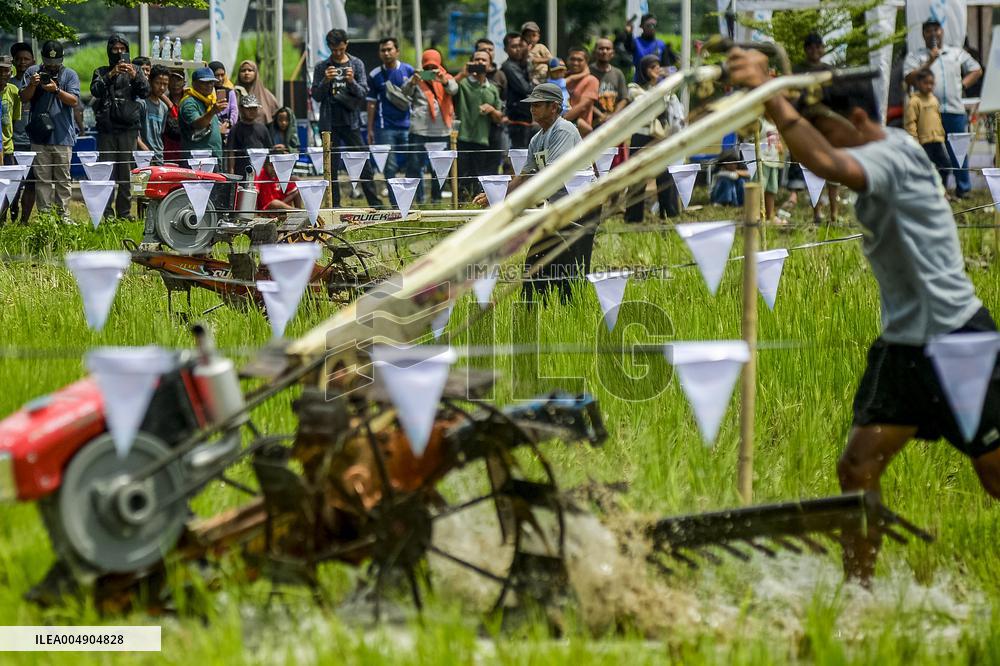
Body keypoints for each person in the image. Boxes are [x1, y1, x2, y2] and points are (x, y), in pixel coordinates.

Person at [728, 47, 1000, 584]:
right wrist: (776, 95)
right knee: (857, 467)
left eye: (822, 129)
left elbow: (828, 164)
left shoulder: (892, 157)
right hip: (904, 345)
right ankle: (860, 590)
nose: (817, 143)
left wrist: (776, 102)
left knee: (995, 477)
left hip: (957, 340)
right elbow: (827, 154)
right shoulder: (879, 149)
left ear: (856, 119)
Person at [475, 82, 597, 303]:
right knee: (538, 258)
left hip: (581, 206)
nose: (532, 109)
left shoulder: (564, 130)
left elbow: (552, 174)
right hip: (559, 208)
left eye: (537, 105)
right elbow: (524, 177)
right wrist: (497, 196)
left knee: (572, 262)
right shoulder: (537, 138)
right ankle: (533, 307)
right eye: (531, 105)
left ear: (554, 107)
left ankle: (572, 308)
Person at [903, 18, 982, 199]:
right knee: (933, 153)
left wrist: (962, 84)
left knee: (958, 151)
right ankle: (938, 192)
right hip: (929, 112)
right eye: (928, 30)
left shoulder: (955, 52)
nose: (933, 34)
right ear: (923, 34)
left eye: (936, 30)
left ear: (942, 32)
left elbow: (976, 69)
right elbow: (908, 78)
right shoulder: (916, 56)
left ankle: (964, 189)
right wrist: (929, 61)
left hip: (954, 109)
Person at [310, 29, 381, 207]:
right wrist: (325, 81)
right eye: (334, 50)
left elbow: (364, 93)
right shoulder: (321, 67)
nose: (338, 53)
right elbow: (316, 96)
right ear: (329, 48)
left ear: (346, 44)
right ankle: (334, 204)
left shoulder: (356, 64)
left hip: (351, 121)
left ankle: (374, 202)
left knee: (363, 163)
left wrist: (351, 81)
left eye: (340, 49)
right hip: (329, 122)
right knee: (331, 167)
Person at [20, 40, 80, 224]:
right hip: (40, 137)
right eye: (48, 63)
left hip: (63, 136)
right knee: (42, 179)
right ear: (42, 60)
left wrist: (57, 90)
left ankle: (63, 216)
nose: (52, 67)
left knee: (63, 179)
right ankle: (46, 217)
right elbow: (23, 98)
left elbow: (74, 101)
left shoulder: (69, 75)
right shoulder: (32, 72)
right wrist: (32, 85)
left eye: (56, 63)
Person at [90, 33, 149, 219]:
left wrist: (134, 77)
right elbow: (95, 90)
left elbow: (146, 91)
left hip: (128, 129)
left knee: (126, 174)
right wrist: (111, 75)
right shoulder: (101, 71)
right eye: (115, 49)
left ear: (127, 51)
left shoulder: (136, 70)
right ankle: (106, 213)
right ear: (109, 51)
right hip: (106, 129)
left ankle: (124, 213)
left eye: (122, 49)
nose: (119, 53)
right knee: (106, 172)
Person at [785, 32, 838, 224]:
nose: (815, 51)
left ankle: (834, 213)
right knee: (811, 170)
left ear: (823, 49)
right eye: (810, 47)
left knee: (833, 168)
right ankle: (817, 212)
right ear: (806, 50)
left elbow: (837, 97)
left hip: (827, 124)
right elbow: (791, 98)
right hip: (806, 125)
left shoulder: (829, 71)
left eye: (818, 47)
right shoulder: (797, 71)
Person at [624, 55, 682, 222]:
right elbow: (647, 103)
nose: (657, 70)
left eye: (658, 66)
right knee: (637, 178)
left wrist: (667, 81)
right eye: (652, 67)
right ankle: (633, 218)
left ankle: (669, 214)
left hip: (660, 138)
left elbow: (672, 107)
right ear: (643, 70)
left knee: (664, 176)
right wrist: (661, 85)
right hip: (641, 137)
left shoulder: (665, 89)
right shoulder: (634, 88)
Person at [402, 49, 457, 203]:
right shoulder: (417, 78)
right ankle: (417, 199)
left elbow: (454, 89)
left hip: (442, 131)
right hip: (420, 129)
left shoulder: (446, 77)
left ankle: (436, 199)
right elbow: (404, 91)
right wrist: (413, 80)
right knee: (414, 165)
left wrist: (443, 80)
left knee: (439, 169)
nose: (430, 71)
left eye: (433, 66)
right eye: (427, 67)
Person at [367, 37, 415, 198]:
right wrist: (370, 129)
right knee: (390, 167)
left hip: (408, 126)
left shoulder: (409, 70)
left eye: (389, 49)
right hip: (384, 127)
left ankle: (413, 201)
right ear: (379, 53)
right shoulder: (375, 75)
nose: (386, 53)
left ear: (397, 51)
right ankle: (396, 205)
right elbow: (371, 104)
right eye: (383, 50)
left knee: (413, 164)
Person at [455, 50, 503, 199]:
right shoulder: (462, 83)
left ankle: (475, 206)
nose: (480, 63)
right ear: (471, 62)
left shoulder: (493, 88)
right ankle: (461, 206)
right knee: (462, 176)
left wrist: (492, 110)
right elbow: (448, 89)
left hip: (482, 139)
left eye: (484, 60)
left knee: (479, 177)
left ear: (489, 66)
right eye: (477, 60)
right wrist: (463, 73)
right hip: (463, 138)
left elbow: (499, 118)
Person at [905, 69, 951, 187]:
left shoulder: (934, 99)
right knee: (924, 169)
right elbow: (910, 123)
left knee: (945, 166)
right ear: (918, 83)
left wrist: (941, 134)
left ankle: (942, 192)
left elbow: (938, 119)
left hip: (937, 140)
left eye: (932, 83)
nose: (929, 86)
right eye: (926, 83)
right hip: (923, 143)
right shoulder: (914, 101)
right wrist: (914, 140)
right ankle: (924, 192)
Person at [9, 42, 35, 224]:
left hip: (33, 141)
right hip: (14, 141)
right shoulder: (9, 84)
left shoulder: (39, 82)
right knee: (12, 183)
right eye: (18, 59)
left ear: (33, 60)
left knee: (31, 183)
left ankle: (24, 221)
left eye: (26, 59)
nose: (22, 63)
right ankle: (11, 209)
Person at [178, 67, 226, 160]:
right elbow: (197, 124)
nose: (209, 85)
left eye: (211, 82)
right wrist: (212, 112)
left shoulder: (209, 101)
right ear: (194, 83)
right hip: (197, 160)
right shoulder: (189, 102)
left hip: (212, 157)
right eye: (205, 82)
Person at [501, 33, 534, 149]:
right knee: (520, 157)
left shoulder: (522, 65)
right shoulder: (509, 67)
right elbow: (525, 88)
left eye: (521, 45)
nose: (518, 49)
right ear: (505, 49)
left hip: (526, 119)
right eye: (514, 46)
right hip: (516, 121)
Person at [228, 94, 272, 175]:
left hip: (261, 173)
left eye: (254, 109)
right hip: (241, 171)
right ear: (241, 109)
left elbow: (268, 151)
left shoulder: (263, 128)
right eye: (249, 109)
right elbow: (231, 153)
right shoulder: (236, 129)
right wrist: (231, 173)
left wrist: (269, 172)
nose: (252, 111)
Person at [590, 38, 629, 129]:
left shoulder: (617, 73)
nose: (604, 51)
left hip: (614, 124)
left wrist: (613, 115)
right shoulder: (588, 72)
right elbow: (584, 100)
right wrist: (601, 116)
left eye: (608, 49)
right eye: (601, 48)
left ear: (613, 53)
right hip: (593, 124)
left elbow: (624, 98)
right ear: (595, 52)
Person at [0, 56, 21, 222]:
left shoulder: (13, 91)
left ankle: (4, 219)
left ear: (11, 72)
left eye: (6, 70)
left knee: (9, 186)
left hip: (7, 148)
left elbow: (13, 119)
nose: (3, 74)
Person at [137, 64, 169, 164]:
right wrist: (146, 151)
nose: (162, 87)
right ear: (150, 81)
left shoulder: (164, 107)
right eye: (158, 83)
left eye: (165, 84)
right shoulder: (141, 103)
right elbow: (134, 134)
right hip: (143, 157)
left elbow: (160, 134)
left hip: (159, 157)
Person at [564, 47, 599, 136]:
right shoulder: (562, 78)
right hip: (561, 133)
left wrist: (560, 120)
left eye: (580, 60)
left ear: (586, 62)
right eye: (572, 59)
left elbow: (583, 106)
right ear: (567, 60)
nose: (575, 63)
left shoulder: (591, 80)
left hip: (580, 134)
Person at [624, 14, 669, 82]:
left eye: (654, 25)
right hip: (640, 85)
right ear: (641, 26)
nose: (652, 27)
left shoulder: (661, 44)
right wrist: (629, 33)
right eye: (649, 25)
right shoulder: (636, 42)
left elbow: (666, 67)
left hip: (657, 86)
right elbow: (628, 48)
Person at [234, 60, 279, 124]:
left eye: (250, 70)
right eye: (243, 70)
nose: (246, 73)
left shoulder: (267, 96)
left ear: (255, 73)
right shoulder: (233, 94)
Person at [209, 60, 239, 139]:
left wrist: (229, 123)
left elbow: (234, 110)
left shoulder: (230, 92)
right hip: (211, 131)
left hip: (228, 132)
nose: (220, 78)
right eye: (217, 75)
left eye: (222, 75)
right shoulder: (206, 92)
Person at [161, 69, 185, 163]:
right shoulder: (162, 101)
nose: (175, 84)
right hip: (167, 147)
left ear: (184, 83)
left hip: (184, 146)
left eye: (178, 80)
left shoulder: (189, 100)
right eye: (172, 80)